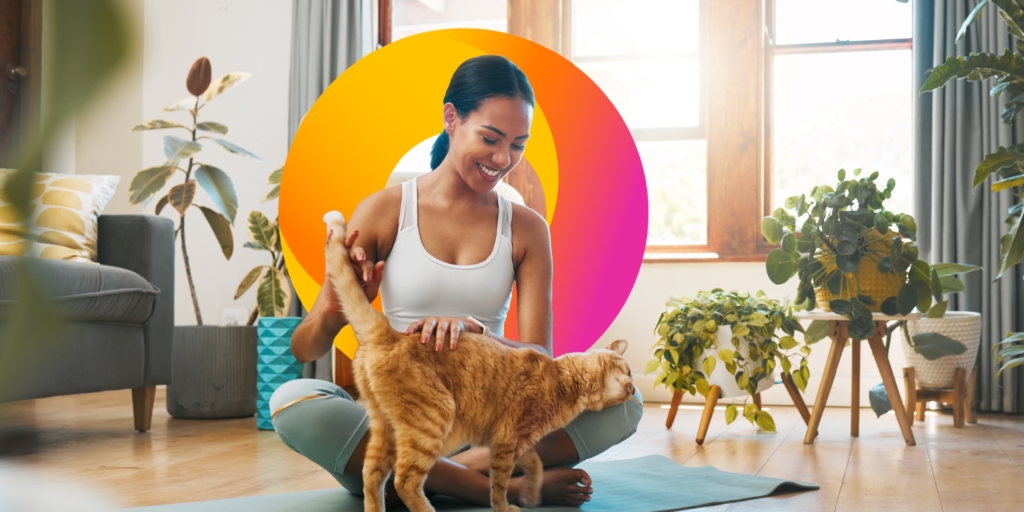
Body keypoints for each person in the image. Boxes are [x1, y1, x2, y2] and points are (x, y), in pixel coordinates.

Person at [270, 55, 643, 509]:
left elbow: (540, 359)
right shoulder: (386, 210)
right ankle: (499, 488)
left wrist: (477, 332)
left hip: (488, 427)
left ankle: (418, 477)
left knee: (625, 403)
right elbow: (304, 349)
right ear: (451, 118)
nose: (503, 159)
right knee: (294, 399)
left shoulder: (526, 228)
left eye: (518, 145)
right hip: (410, 414)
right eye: (490, 138)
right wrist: (330, 311)